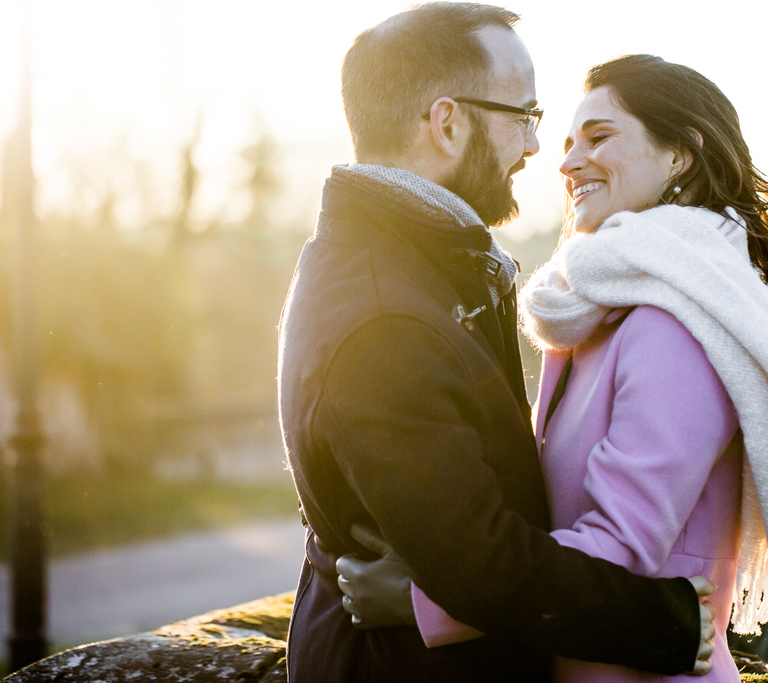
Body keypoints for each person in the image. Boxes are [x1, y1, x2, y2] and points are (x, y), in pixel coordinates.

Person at [340, 55, 768, 681]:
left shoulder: (674, 325)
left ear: (680, 154)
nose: (568, 161)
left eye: (600, 138)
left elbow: (619, 551)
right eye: (568, 143)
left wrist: (419, 602)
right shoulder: (597, 315)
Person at [276, 6, 716, 682]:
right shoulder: (384, 320)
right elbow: (482, 566)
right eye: (524, 116)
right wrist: (670, 620)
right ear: (447, 123)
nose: (539, 149)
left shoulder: (413, 261)